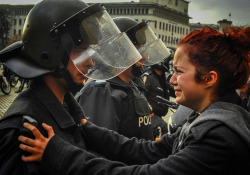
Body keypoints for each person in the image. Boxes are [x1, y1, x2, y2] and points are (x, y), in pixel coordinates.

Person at [19, 26, 250, 175]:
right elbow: (147, 150)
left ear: (209, 79)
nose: (171, 80)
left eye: (179, 71)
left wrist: (59, 154)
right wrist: (87, 128)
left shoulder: (219, 135)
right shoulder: (208, 118)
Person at [0, 0, 143, 174]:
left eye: (89, 53)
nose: (90, 62)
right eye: (79, 52)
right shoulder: (23, 129)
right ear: (50, 54)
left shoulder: (71, 111)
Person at [76, 17, 171, 140]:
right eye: (138, 50)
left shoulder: (133, 84)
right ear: (120, 51)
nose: (144, 56)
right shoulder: (101, 90)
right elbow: (100, 146)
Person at [142, 54, 176, 139]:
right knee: (164, 129)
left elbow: (174, 91)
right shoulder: (148, 76)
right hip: (149, 116)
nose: (168, 64)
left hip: (159, 116)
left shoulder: (161, 79)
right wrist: (148, 110)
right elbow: (140, 95)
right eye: (167, 62)